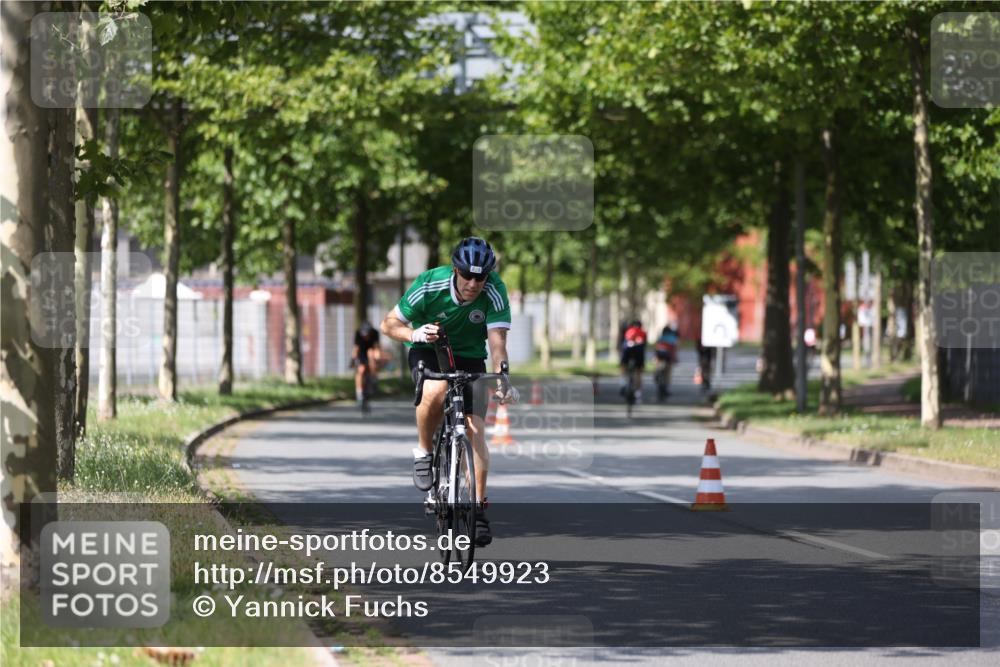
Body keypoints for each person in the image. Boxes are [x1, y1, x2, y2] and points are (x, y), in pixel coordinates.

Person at [379, 236, 518, 547]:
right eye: (466, 275)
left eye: (480, 277)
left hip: (470, 354)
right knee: (436, 390)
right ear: (455, 270)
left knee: (475, 428)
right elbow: (388, 324)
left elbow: (497, 343)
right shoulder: (430, 283)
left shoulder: (494, 290)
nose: (472, 283)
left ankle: (479, 510)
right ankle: (424, 452)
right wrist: (414, 332)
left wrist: (502, 376)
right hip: (428, 346)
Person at [352, 321, 381, 408]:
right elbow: (356, 348)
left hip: (371, 351)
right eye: (364, 335)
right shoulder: (358, 334)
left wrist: (377, 358)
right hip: (362, 352)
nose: (365, 337)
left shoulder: (375, 333)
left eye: (367, 334)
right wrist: (353, 360)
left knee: (372, 354)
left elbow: (376, 347)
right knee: (361, 370)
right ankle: (359, 392)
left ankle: (374, 378)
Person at [619, 319, 648, 402]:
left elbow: (623, 343)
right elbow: (644, 345)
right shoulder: (643, 333)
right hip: (639, 351)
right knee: (638, 372)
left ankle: (623, 384)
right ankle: (638, 393)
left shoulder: (628, 331)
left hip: (628, 350)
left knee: (623, 366)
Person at [653, 324, 678, 400]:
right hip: (668, 358)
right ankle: (666, 388)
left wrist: (655, 358)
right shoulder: (672, 338)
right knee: (667, 374)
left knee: (658, 370)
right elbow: (674, 350)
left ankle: (657, 379)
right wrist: (675, 359)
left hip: (660, 358)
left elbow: (656, 349)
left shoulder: (660, 338)